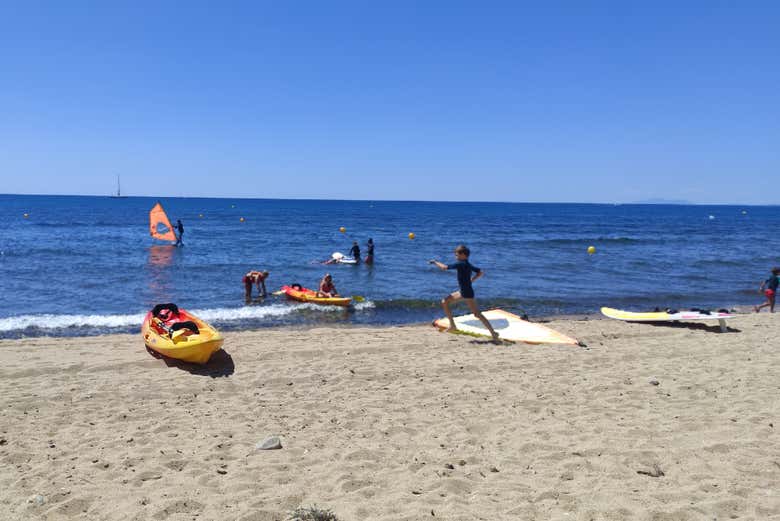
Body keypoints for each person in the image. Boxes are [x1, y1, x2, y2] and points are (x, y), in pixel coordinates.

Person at [429, 245, 500, 343]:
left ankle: (453, 326)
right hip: (466, 291)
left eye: (457, 255)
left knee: (445, 302)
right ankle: (493, 334)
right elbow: (480, 272)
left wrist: (435, 262)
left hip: (465, 292)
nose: (455, 257)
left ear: (463, 255)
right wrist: (472, 280)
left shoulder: (460, 264)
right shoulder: (468, 264)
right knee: (476, 314)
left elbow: (444, 267)